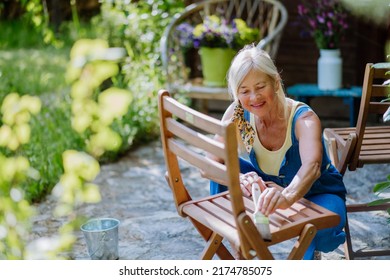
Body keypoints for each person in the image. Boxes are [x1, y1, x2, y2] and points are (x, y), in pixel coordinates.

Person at [209, 45, 347, 260]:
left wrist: (287, 196)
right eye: (244, 91)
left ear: (275, 82)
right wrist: (240, 179)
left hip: (318, 194)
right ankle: (242, 239)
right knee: (223, 173)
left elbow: (312, 167)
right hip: (269, 185)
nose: (253, 97)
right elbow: (210, 163)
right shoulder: (237, 113)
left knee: (322, 232)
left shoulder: (304, 119)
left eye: (260, 86)